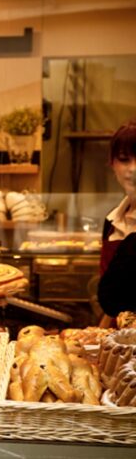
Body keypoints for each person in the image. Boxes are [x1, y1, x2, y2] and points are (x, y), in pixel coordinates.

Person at [98, 120, 136, 319]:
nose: (133, 169)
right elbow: (112, 305)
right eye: (124, 159)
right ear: (112, 164)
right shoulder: (112, 222)